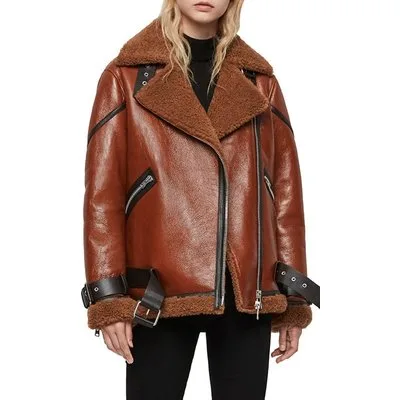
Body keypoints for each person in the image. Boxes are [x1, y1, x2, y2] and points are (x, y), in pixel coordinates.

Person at [81, 1, 320, 399]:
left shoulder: (260, 82)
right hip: (156, 291)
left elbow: (284, 193)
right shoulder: (125, 77)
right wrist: (108, 298)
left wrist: (294, 296)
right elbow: (101, 198)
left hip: (245, 291)